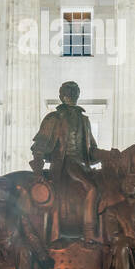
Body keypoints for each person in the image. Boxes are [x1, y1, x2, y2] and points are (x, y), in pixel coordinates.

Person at [30, 81, 101, 240]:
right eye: (68, 93)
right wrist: (37, 173)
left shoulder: (85, 120)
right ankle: (89, 231)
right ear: (61, 96)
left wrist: (109, 155)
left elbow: (92, 151)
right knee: (92, 189)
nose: (71, 95)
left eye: (74, 92)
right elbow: (39, 146)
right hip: (64, 165)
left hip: (82, 166)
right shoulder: (53, 118)